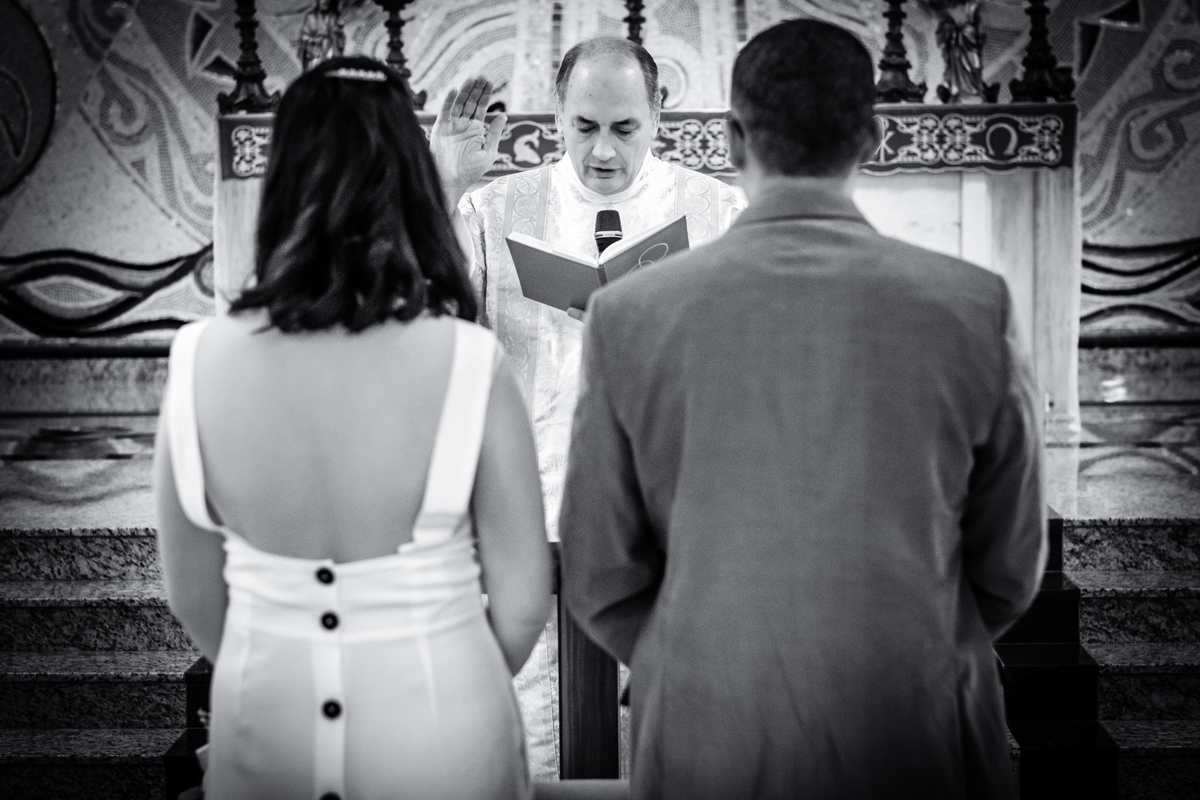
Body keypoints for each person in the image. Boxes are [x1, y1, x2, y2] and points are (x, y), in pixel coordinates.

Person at [559, 19, 1046, 800]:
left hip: (707, 729)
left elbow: (597, 574)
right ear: (874, 139)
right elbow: (1010, 566)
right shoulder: (972, 307)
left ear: (733, 139)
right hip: (915, 726)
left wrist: (691, 659)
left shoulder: (629, 317)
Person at [153, 56, 551, 799]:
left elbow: (194, 599)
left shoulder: (200, 358)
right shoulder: (467, 360)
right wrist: (451, 685)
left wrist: (273, 658)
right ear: (409, 182)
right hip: (444, 744)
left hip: (265, 735)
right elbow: (525, 598)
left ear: (282, 181)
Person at [429, 36, 745, 778]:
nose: (602, 152)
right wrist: (443, 189)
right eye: (583, 127)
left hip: (663, 517)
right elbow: (427, 329)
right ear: (560, 116)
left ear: (659, 113)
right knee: (541, 738)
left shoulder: (717, 211)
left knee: (665, 743)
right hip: (529, 509)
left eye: (624, 128)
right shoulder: (491, 209)